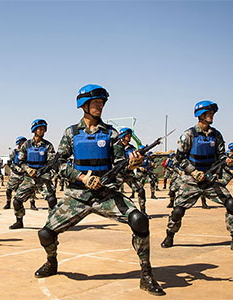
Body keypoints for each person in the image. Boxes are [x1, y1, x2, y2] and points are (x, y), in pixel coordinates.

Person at [34, 84, 165, 296]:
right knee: (45, 234)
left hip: (106, 194)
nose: (100, 106)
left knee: (140, 220)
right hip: (77, 195)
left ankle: (146, 274)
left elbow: (121, 165)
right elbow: (59, 164)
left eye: (102, 103)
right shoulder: (71, 133)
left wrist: (132, 164)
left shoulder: (111, 133)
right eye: (96, 102)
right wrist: (82, 177)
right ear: (83, 105)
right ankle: (52, 262)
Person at [161, 100, 233, 252]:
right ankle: (170, 235)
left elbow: (220, 157)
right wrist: (194, 172)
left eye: (212, 113)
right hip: (191, 181)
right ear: (200, 115)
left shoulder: (216, 135)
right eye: (209, 113)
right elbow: (180, 158)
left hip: (210, 180)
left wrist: (226, 161)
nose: (212, 115)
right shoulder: (189, 135)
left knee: (232, 204)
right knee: (178, 211)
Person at [9, 119, 57, 229]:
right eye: (40, 129)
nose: (42, 131)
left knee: (52, 200)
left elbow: (51, 162)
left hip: (43, 177)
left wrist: (42, 171)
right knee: (17, 201)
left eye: (43, 129)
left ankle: (52, 222)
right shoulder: (27, 145)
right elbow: (20, 161)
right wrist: (28, 169)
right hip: (29, 178)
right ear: (34, 130)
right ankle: (19, 221)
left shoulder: (48, 145)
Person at [4, 136, 38, 210]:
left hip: (26, 173)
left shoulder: (30, 151)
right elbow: (10, 162)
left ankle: (32, 204)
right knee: (9, 189)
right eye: (21, 143)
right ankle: (8, 203)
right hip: (15, 174)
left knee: (31, 189)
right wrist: (16, 168)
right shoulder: (15, 151)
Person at [118, 127, 147, 213]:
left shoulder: (132, 148)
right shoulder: (115, 146)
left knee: (141, 190)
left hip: (128, 173)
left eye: (130, 135)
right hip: (117, 174)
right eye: (128, 135)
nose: (130, 137)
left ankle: (143, 212)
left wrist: (137, 162)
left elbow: (137, 161)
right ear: (122, 136)